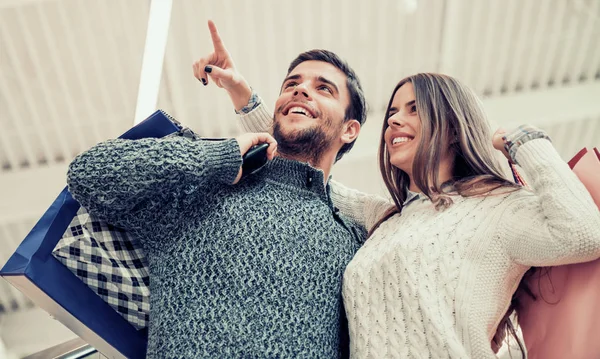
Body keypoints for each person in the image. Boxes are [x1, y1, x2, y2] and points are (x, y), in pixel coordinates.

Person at [217, 51, 600, 356]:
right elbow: (296, 162)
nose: (395, 121)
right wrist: (246, 100)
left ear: (453, 126)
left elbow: (583, 233)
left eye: (414, 109)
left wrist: (525, 141)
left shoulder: (497, 208)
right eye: (393, 113)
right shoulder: (384, 219)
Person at [67, 22, 370, 359]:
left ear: (350, 129)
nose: (300, 91)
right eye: (292, 84)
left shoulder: (354, 245)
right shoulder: (205, 184)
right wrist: (216, 157)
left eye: (323, 88)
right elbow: (88, 174)